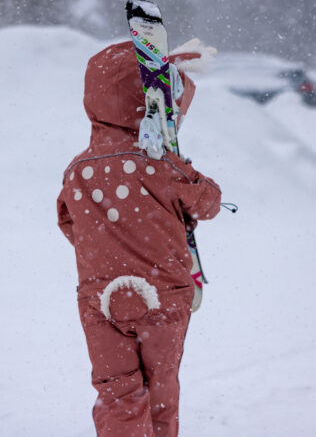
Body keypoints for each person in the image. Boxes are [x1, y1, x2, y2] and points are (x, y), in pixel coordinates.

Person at [56, 40, 222, 437]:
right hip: (164, 292)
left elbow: (68, 221)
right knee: (161, 387)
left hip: (100, 298)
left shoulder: (77, 169)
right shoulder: (161, 164)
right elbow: (208, 203)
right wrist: (187, 176)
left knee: (116, 390)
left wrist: (108, 245)